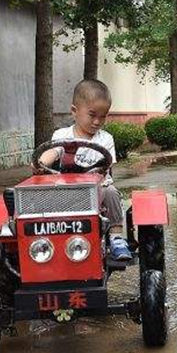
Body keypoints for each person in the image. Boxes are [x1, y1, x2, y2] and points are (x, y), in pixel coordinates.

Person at [37, 79, 132, 263]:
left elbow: (107, 164)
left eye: (103, 116)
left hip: (98, 189)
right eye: (92, 115)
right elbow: (53, 151)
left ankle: (115, 236)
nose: (97, 122)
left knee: (111, 192)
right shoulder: (62, 136)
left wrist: (94, 176)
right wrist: (41, 162)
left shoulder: (105, 139)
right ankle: (44, 243)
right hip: (66, 190)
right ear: (74, 111)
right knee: (42, 198)